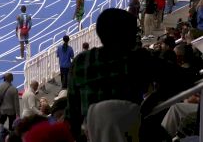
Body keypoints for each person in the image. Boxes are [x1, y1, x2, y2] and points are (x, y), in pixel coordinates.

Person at [65, 8, 198, 141]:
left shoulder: (81, 62)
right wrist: (153, 99)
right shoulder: (137, 58)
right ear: (126, 36)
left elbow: (72, 115)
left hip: (93, 136)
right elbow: (184, 77)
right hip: (132, 134)